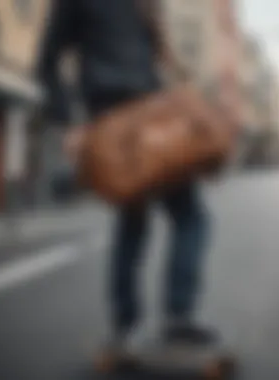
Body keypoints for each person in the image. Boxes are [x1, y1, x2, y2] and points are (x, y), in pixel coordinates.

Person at [37, 0, 215, 356]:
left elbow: (150, 66)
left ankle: (132, 324)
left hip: (145, 118)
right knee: (183, 217)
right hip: (119, 124)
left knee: (148, 221)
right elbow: (46, 64)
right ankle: (169, 318)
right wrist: (70, 124)